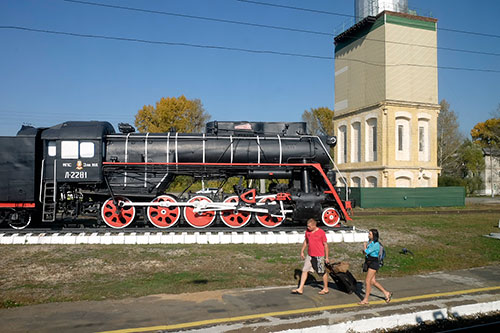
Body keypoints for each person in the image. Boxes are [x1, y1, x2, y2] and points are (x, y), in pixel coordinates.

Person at [292, 218, 330, 295]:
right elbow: (306, 241)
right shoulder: (307, 232)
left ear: (314, 225)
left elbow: (325, 245)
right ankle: (300, 288)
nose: (308, 228)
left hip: (319, 255)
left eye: (309, 226)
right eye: (307, 226)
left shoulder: (321, 233)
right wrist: (302, 251)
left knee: (321, 272)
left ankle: (326, 288)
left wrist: (327, 257)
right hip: (310, 255)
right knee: (305, 270)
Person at [359, 229, 392, 305]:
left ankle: (366, 299)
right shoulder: (370, 242)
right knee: (373, 281)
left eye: (370, 234)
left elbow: (366, 251)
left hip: (374, 263)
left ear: (374, 235)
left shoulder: (376, 244)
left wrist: (364, 247)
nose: (368, 235)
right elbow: (366, 252)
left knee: (367, 281)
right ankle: (386, 293)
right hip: (369, 262)